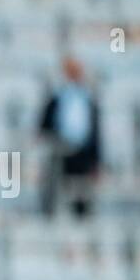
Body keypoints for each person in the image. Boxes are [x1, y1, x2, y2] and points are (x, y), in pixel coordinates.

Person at [39, 57, 102, 217]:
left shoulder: (89, 100)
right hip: (61, 150)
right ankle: (49, 217)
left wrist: (96, 160)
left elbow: (96, 133)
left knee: (81, 193)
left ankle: (81, 221)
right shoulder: (57, 98)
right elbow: (43, 125)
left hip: (83, 152)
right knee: (54, 188)